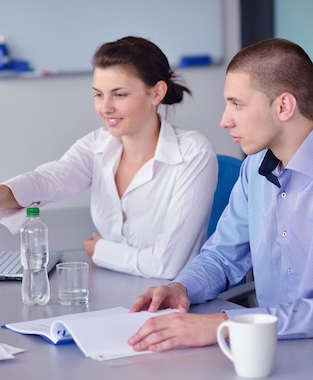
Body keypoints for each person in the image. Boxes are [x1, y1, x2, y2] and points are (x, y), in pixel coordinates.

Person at [0, 36, 217, 280]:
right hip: (114, 293)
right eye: (98, 94)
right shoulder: (97, 145)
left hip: (174, 305)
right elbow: (51, 179)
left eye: (119, 95)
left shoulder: (193, 153)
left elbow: (167, 265)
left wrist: (103, 251)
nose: (105, 107)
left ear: (156, 93)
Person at [127, 38, 313, 353]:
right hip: (269, 351)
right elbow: (222, 256)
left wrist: (224, 324)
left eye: (237, 104)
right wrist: (181, 287)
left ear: (283, 106)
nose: (224, 120)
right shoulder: (254, 169)